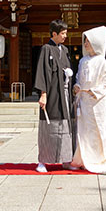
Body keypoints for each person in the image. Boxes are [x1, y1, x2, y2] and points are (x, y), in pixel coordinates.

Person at [71, 26, 106, 174]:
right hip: (84, 102)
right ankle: (82, 158)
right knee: (83, 131)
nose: (85, 44)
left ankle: (97, 158)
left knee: (97, 130)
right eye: (85, 41)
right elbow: (78, 78)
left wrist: (94, 91)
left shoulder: (101, 61)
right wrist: (77, 86)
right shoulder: (82, 61)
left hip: (97, 102)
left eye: (88, 41)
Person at [33, 19, 75, 173]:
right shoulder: (46, 49)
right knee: (49, 126)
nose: (65, 36)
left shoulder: (64, 50)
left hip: (64, 94)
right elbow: (43, 72)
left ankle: (65, 159)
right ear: (54, 34)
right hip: (52, 94)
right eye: (62, 33)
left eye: (65, 33)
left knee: (65, 126)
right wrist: (43, 94)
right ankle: (42, 161)